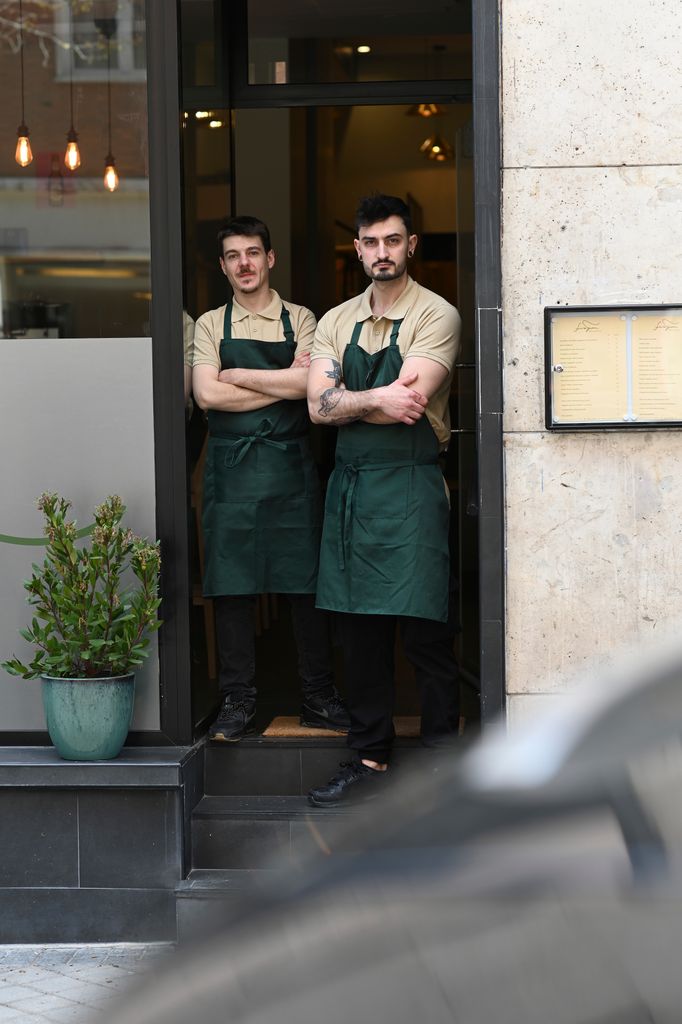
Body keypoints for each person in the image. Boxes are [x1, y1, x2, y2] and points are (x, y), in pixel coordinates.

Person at [305, 193, 461, 806]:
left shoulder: (438, 314)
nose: (381, 253)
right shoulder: (335, 319)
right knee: (359, 638)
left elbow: (411, 402)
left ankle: (444, 766)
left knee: (426, 634)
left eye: (392, 241)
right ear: (358, 248)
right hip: (351, 491)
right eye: (370, 243)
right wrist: (371, 401)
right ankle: (368, 759)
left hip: (412, 484)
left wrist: (346, 398)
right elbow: (318, 408)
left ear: (410, 245)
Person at [192, 215, 349, 741]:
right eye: (234, 255)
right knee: (231, 590)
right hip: (231, 473)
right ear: (222, 266)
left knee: (305, 588)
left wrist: (237, 375)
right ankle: (238, 702)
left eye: (253, 252)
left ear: (270, 258)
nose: (245, 264)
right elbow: (206, 396)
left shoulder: (302, 318)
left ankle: (318, 697)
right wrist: (282, 383)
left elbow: (314, 387)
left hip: (289, 470)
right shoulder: (210, 324)